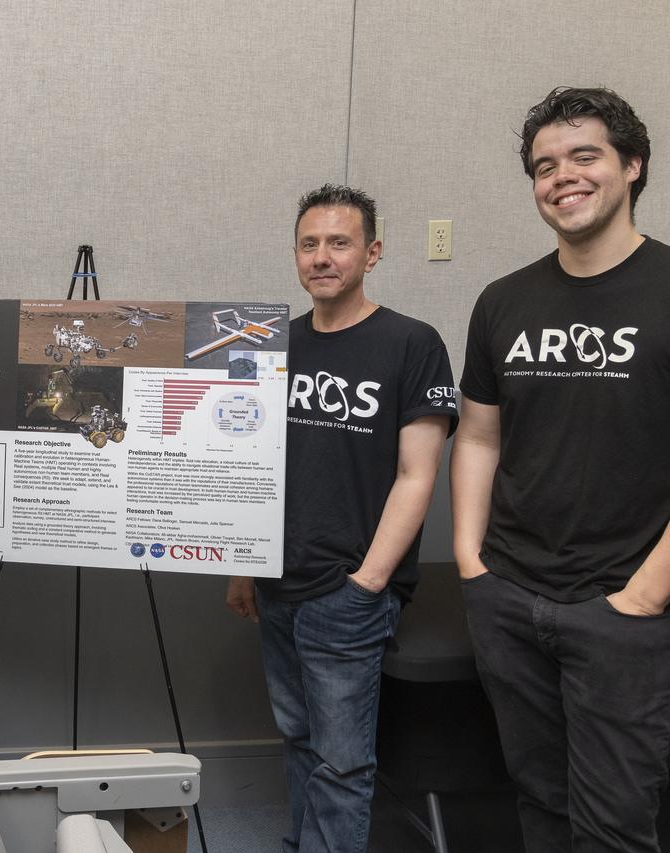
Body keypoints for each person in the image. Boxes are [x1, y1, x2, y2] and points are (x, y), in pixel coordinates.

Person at [451, 86, 670, 853]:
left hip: (625, 610)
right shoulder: (503, 301)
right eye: (545, 166)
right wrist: (472, 564)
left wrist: (645, 596)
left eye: (584, 156)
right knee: (540, 804)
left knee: (615, 826)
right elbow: (478, 436)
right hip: (509, 598)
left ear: (632, 165)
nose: (562, 177)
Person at [227, 185, 457, 853]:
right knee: (298, 737)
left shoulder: (412, 342)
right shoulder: (273, 344)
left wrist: (368, 583)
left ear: (372, 252)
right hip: (276, 583)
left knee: (342, 762)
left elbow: (418, 474)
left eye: (339, 242)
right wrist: (242, 567)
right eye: (309, 244)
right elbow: (245, 463)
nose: (322, 257)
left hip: (348, 589)